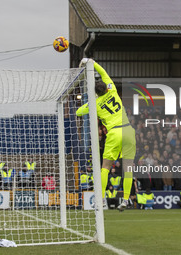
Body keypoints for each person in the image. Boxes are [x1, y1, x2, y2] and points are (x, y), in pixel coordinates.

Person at [77, 58, 136, 211]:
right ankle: (125, 200)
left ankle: (101, 200)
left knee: (105, 167)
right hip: (129, 130)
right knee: (128, 167)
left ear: (96, 93)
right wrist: (91, 61)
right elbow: (103, 72)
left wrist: (92, 100)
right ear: (106, 88)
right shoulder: (113, 89)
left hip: (115, 132)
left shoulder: (95, 103)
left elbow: (78, 112)